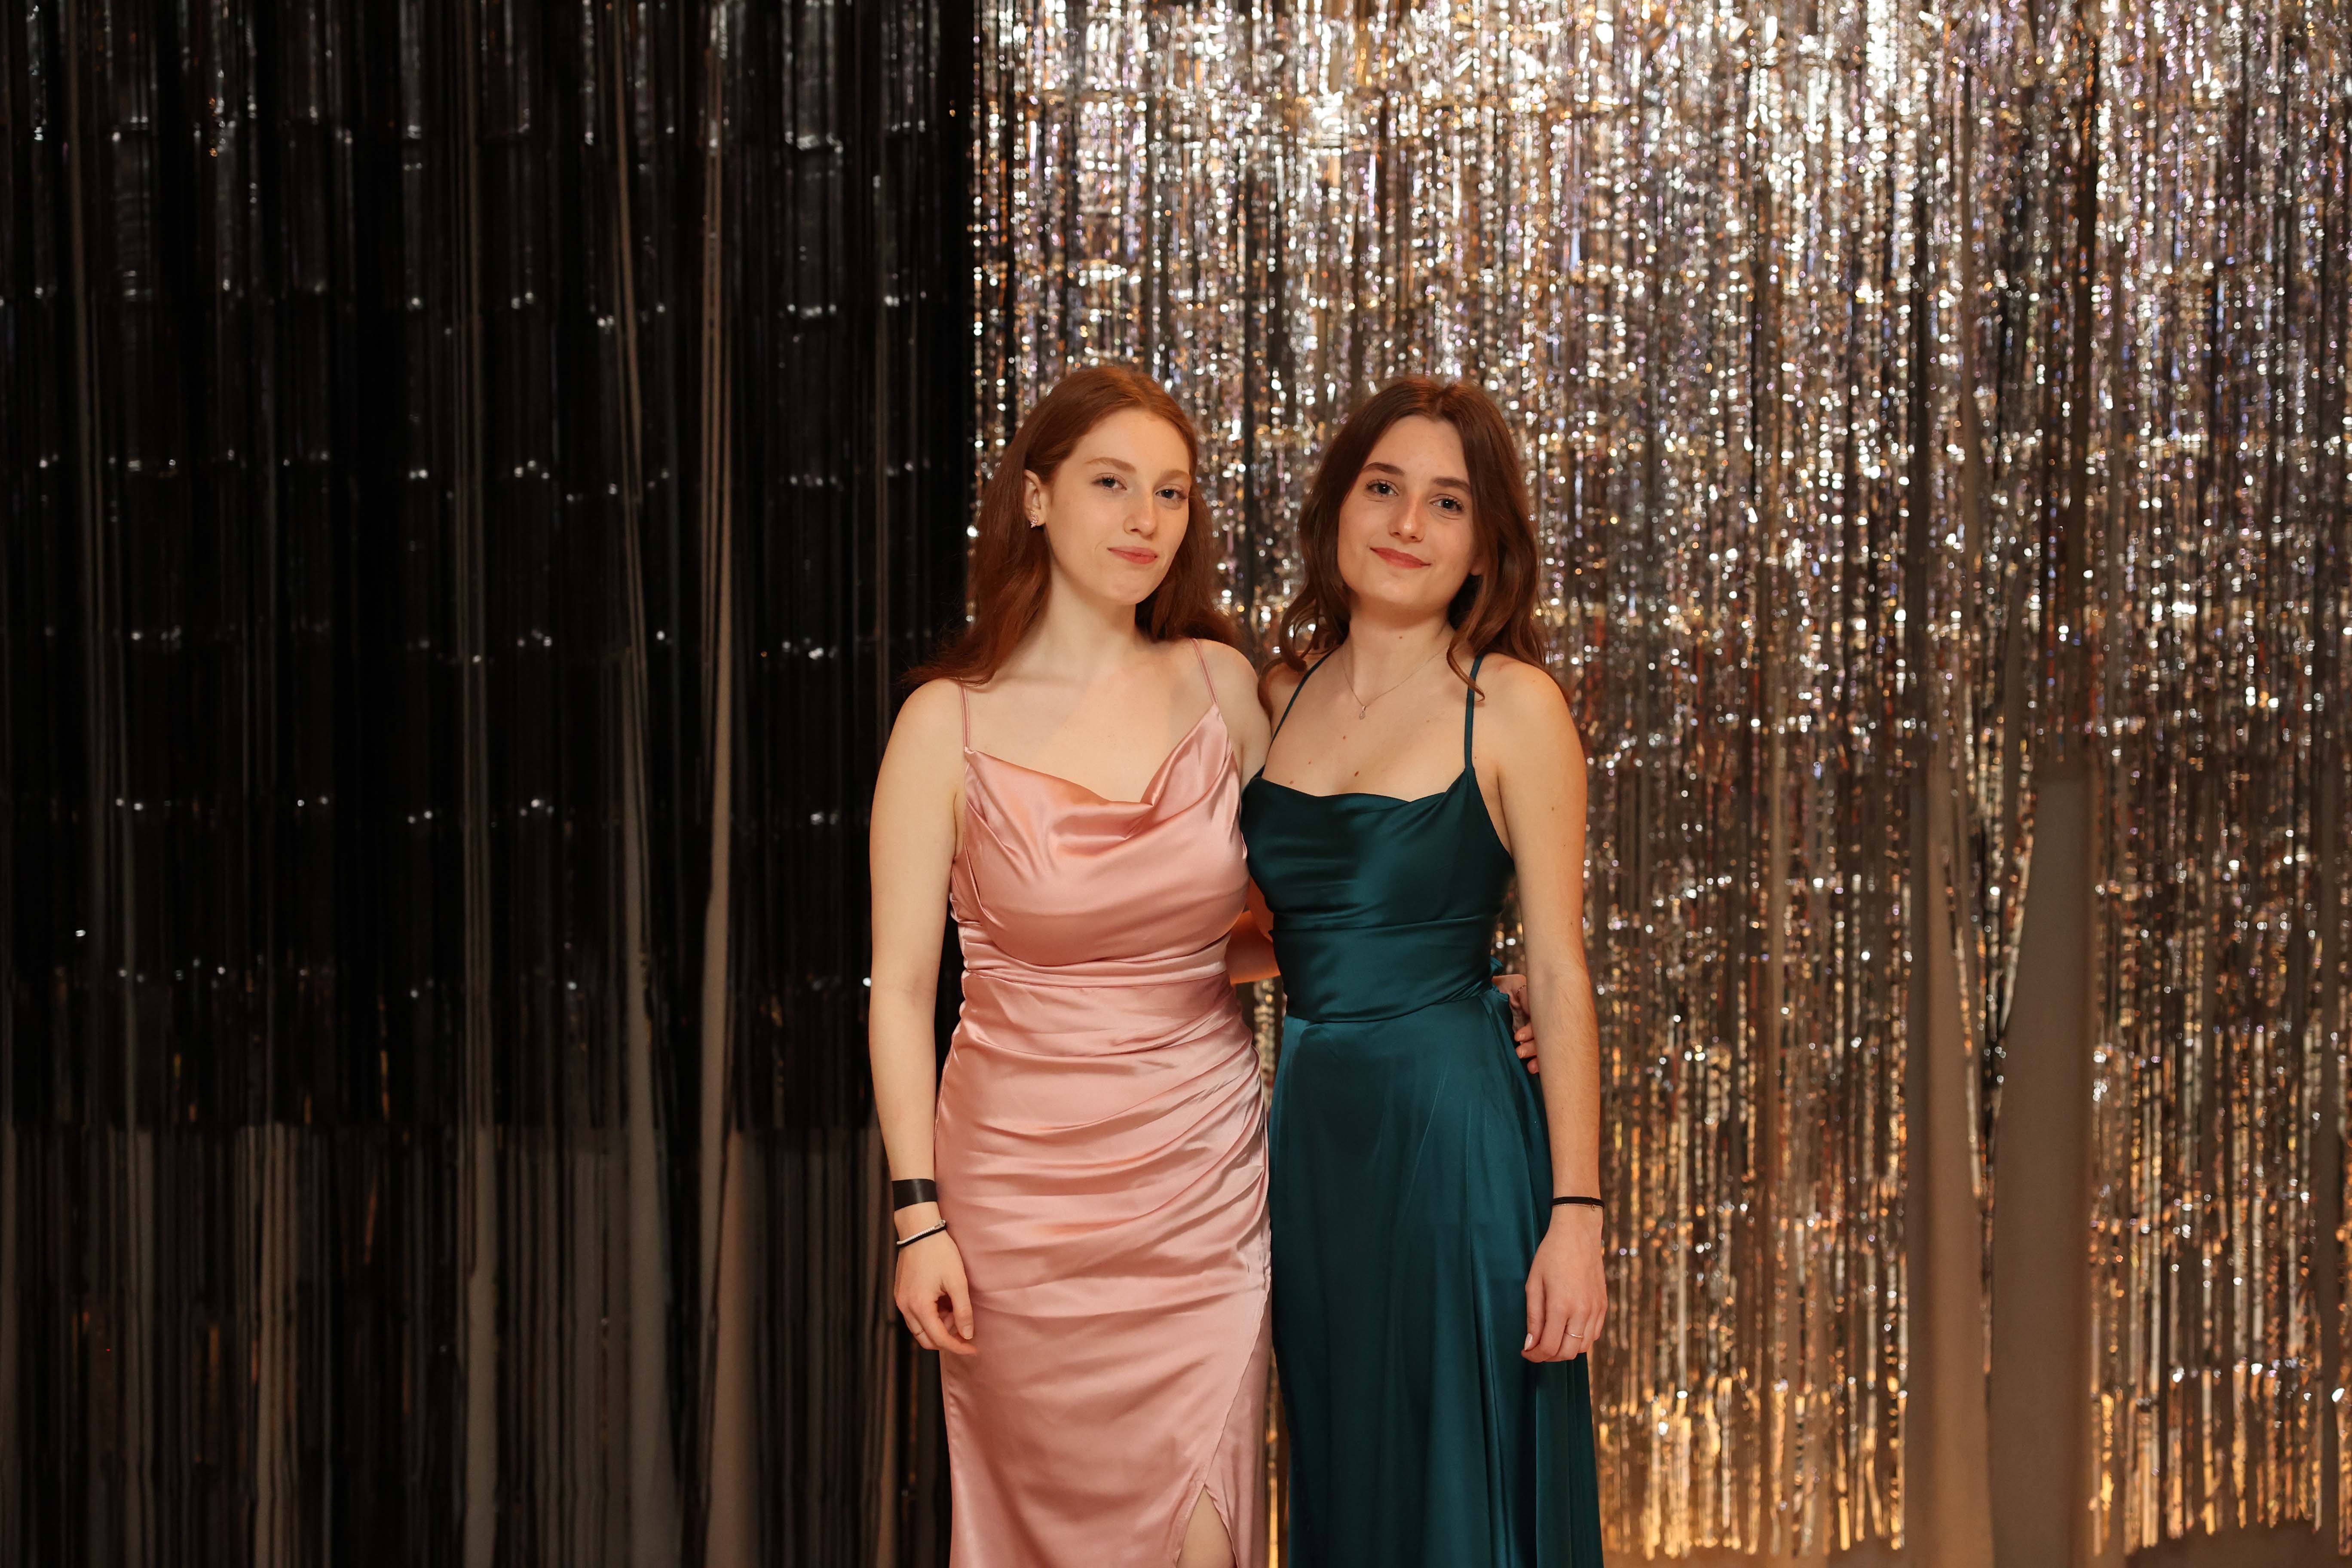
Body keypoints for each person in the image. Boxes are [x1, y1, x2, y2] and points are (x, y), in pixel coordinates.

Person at [866, 365, 1274, 1567]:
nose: (1146, 520)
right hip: (1020, 1202)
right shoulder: (945, 723)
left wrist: (1468, 986)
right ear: (1036, 498)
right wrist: (917, 1217)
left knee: (1207, 1534)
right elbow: (901, 992)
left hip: (1203, 1185)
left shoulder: (1225, 688)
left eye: (1172, 493)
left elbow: (1309, 922)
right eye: (1112, 484)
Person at [1239, 377, 1608, 1565]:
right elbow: (1265, 931)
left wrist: (1578, 1215)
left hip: (1455, 1137)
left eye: (1447, 502)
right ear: (1335, 510)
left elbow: (1559, 967)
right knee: (1345, 1460)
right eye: (1383, 487)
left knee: (1459, 1469)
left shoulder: (1513, 706)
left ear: (1485, 545)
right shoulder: (1276, 695)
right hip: (1314, 1138)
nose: (1407, 523)